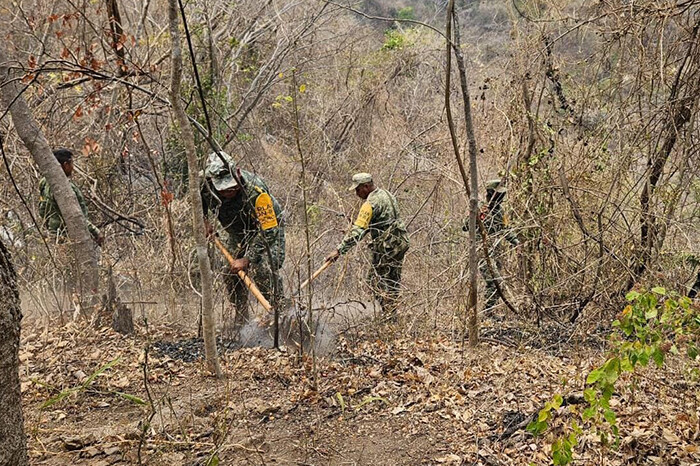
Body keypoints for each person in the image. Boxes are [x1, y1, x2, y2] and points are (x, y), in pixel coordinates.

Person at [201, 151, 285, 330]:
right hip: (237, 233)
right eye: (223, 189)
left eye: (231, 187)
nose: (228, 192)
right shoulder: (205, 185)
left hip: (266, 230)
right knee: (231, 273)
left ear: (237, 173)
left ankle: (282, 315)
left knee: (263, 269)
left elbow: (269, 229)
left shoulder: (256, 190)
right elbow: (198, 203)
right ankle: (241, 319)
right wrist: (204, 221)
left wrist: (248, 258)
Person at [325, 173, 409, 321]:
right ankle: (392, 316)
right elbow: (383, 221)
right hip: (400, 243)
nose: (357, 194)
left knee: (374, 281)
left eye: (358, 190)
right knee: (392, 282)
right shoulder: (386, 194)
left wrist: (339, 250)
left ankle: (390, 316)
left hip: (387, 247)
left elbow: (359, 231)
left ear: (366, 187)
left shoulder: (369, 204)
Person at [463, 178, 519, 311]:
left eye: (501, 195)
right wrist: (476, 216)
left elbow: (505, 228)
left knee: (494, 283)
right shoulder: (480, 207)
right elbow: (464, 227)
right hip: (481, 251)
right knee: (495, 282)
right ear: (490, 194)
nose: (500, 198)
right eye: (497, 195)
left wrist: (516, 241)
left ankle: (486, 312)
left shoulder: (500, 211)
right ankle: (485, 312)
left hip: (495, 251)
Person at [38, 148, 103, 246]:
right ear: (65, 165)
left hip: (53, 235)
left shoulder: (44, 182)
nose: (73, 167)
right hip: (69, 237)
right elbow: (75, 215)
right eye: (71, 164)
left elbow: (42, 210)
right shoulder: (65, 188)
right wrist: (95, 231)